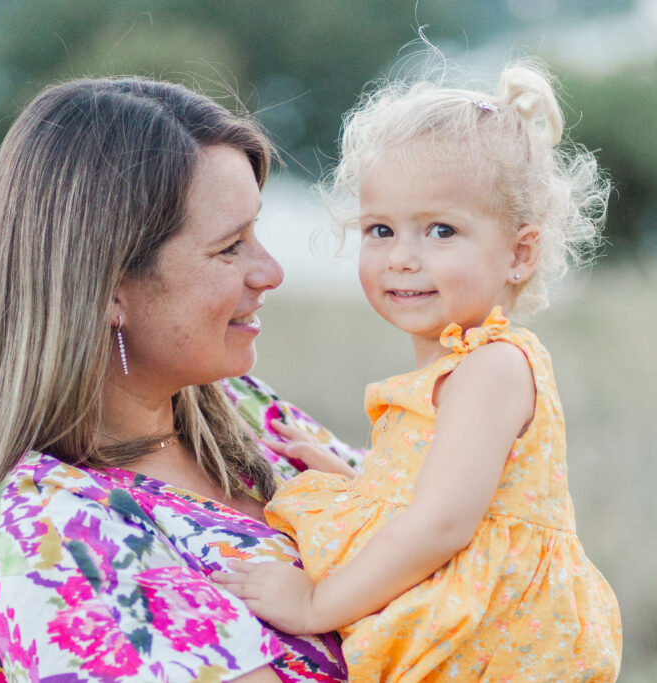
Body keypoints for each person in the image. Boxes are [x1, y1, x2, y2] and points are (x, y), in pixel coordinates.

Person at [0, 77, 360, 682]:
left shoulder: (245, 413)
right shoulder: (50, 544)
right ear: (108, 289)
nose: (271, 272)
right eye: (230, 247)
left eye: (256, 232)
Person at [213, 60, 623, 681]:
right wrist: (363, 481)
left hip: (498, 638)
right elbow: (440, 488)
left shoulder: (493, 367)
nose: (402, 258)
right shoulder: (457, 365)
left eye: (440, 230)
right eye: (381, 229)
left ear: (519, 253)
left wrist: (316, 603)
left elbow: (442, 523)